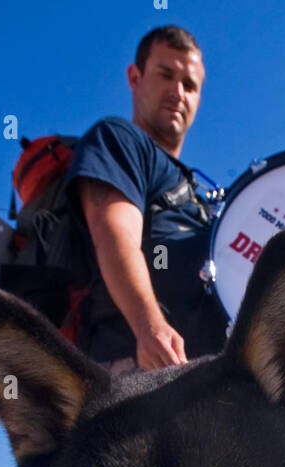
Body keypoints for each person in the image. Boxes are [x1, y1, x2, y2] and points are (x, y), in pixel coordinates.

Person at [66, 25, 227, 372]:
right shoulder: (120, 141)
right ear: (135, 77)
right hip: (138, 368)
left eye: (190, 86)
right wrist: (149, 327)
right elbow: (115, 233)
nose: (178, 92)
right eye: (165, 75)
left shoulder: (200, 200)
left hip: (202, 386)